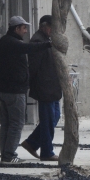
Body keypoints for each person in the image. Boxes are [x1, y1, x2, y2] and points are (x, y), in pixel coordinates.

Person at [0, 16, 52, 164]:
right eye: (24, 28)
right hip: (14, 90)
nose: (26, 31)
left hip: (3, 89)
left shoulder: (3, 42)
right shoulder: (12, 43)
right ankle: (9, 155)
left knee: (6, 124)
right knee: (16, 123)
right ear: (17, 28)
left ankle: (5, 155)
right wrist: (48, 44)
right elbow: (29, 48)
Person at [21, 15, 62, 162]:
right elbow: (34, 67)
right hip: (45, 87)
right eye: (51, 27)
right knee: (48, 120)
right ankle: (46, 151)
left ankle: (32, 143)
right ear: (44, 26)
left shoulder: (47, 39)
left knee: (54, 117)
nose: (53, 30)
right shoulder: (38, 41)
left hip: (52, 87)